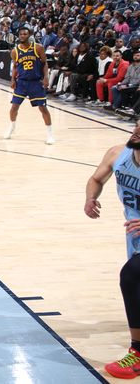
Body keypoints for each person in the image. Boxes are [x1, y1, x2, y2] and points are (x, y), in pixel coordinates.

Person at [84, 123, 140, 379]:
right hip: (135, 237)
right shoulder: (118, 154)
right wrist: (90, 198)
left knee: (131, 276)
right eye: (137, 127)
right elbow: (96, 179)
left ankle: (137, 352)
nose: (137, 131)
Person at [4, 26, 54, 145]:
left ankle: (50, 134)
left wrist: (46, 77)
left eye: (25, 34)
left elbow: (45, 64)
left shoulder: (38, 48)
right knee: (14, 108)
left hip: (36, 82)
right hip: (21, 83)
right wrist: (12, 79)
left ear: (29, 35)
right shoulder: (14, 51)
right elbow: (16, 66)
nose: (23, 36)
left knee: (43, 108)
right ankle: (12, 127)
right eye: (21, 34)